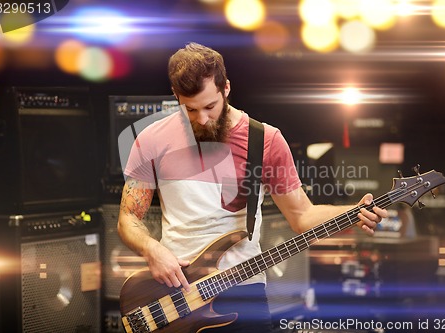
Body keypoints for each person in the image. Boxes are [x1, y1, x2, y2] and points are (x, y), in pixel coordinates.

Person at [117, 42, 388, 333]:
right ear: (175, 96)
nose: (202, 118)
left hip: (243, 288)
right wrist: (151, 249)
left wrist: (353, 211)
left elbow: (301, 216)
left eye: (210, 106)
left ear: (226, 89)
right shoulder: (152, 139)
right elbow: (128, 217)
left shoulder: (265, 140)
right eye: (190, 109)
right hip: (175, 292)